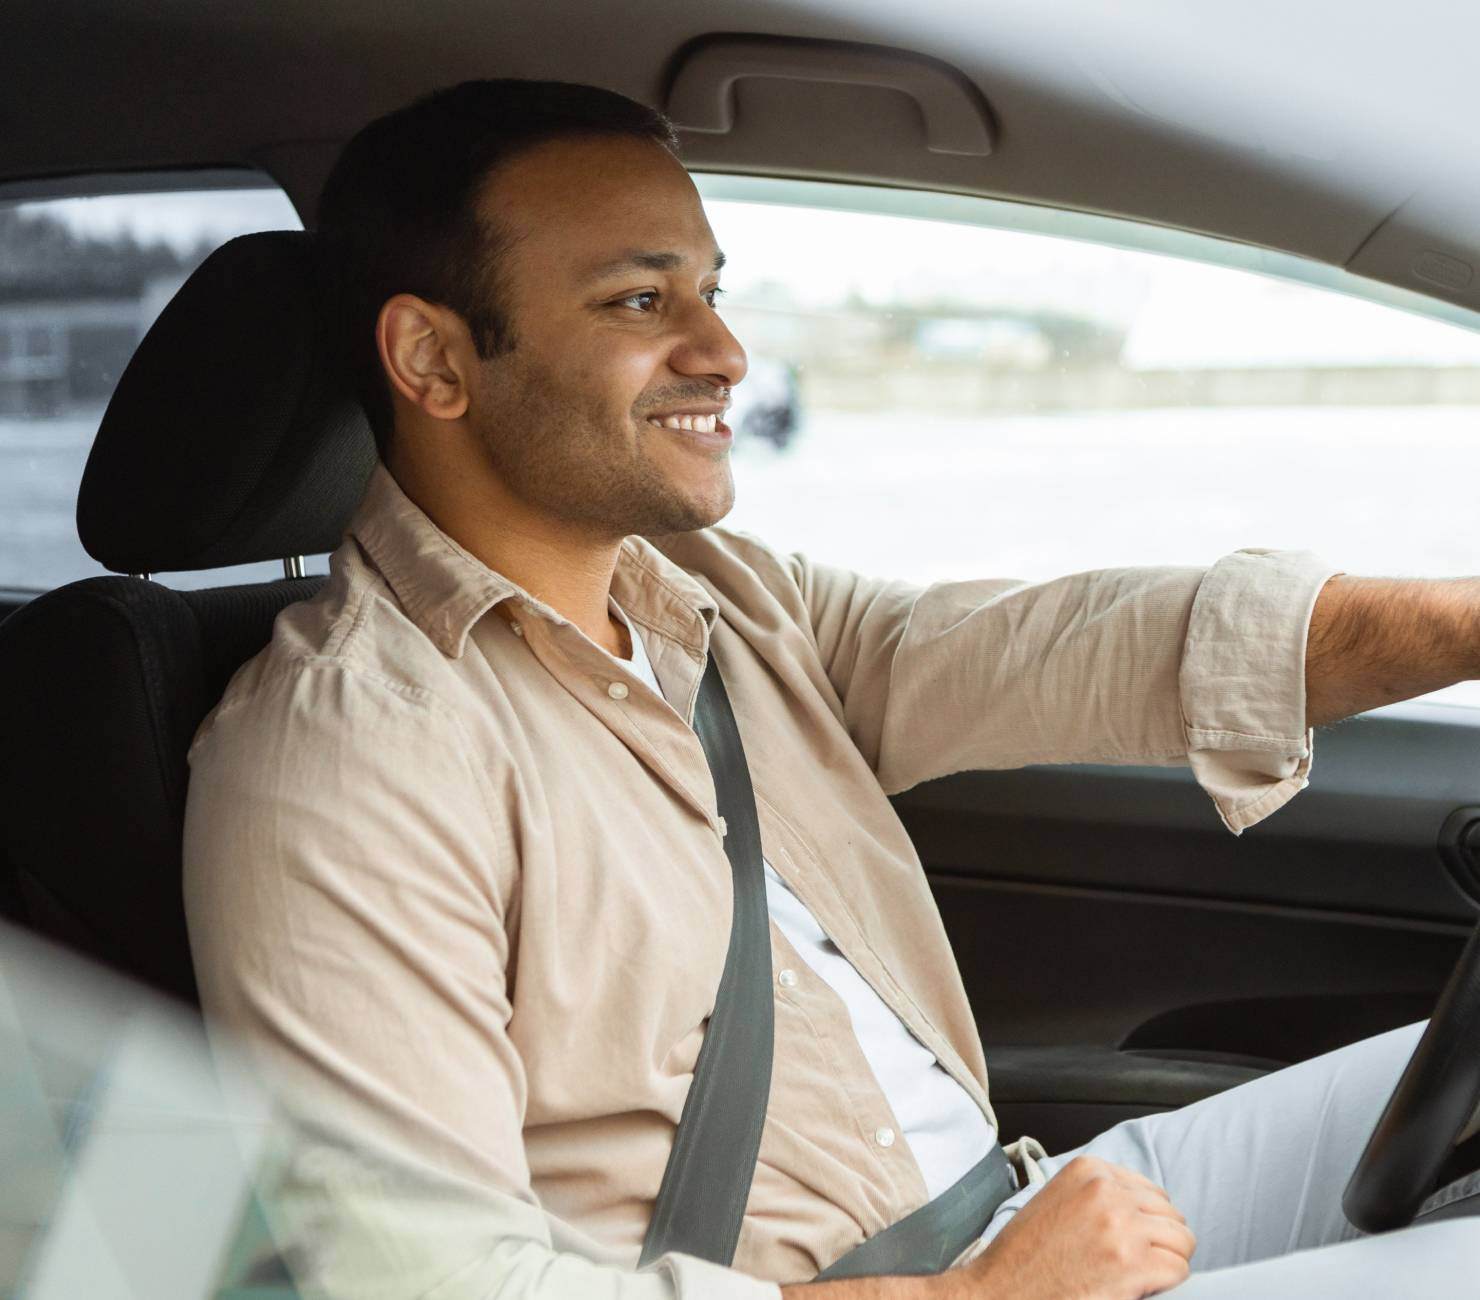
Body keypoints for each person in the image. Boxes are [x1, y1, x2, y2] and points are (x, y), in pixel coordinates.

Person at [181, 79, 1480, 1299]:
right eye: (642, 302)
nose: (727, 350)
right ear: (435, 360)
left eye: (712, 291)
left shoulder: (709, 595)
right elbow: (436, 1285)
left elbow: (1076, 647)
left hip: (1019, 1220)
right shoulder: (344, 762)